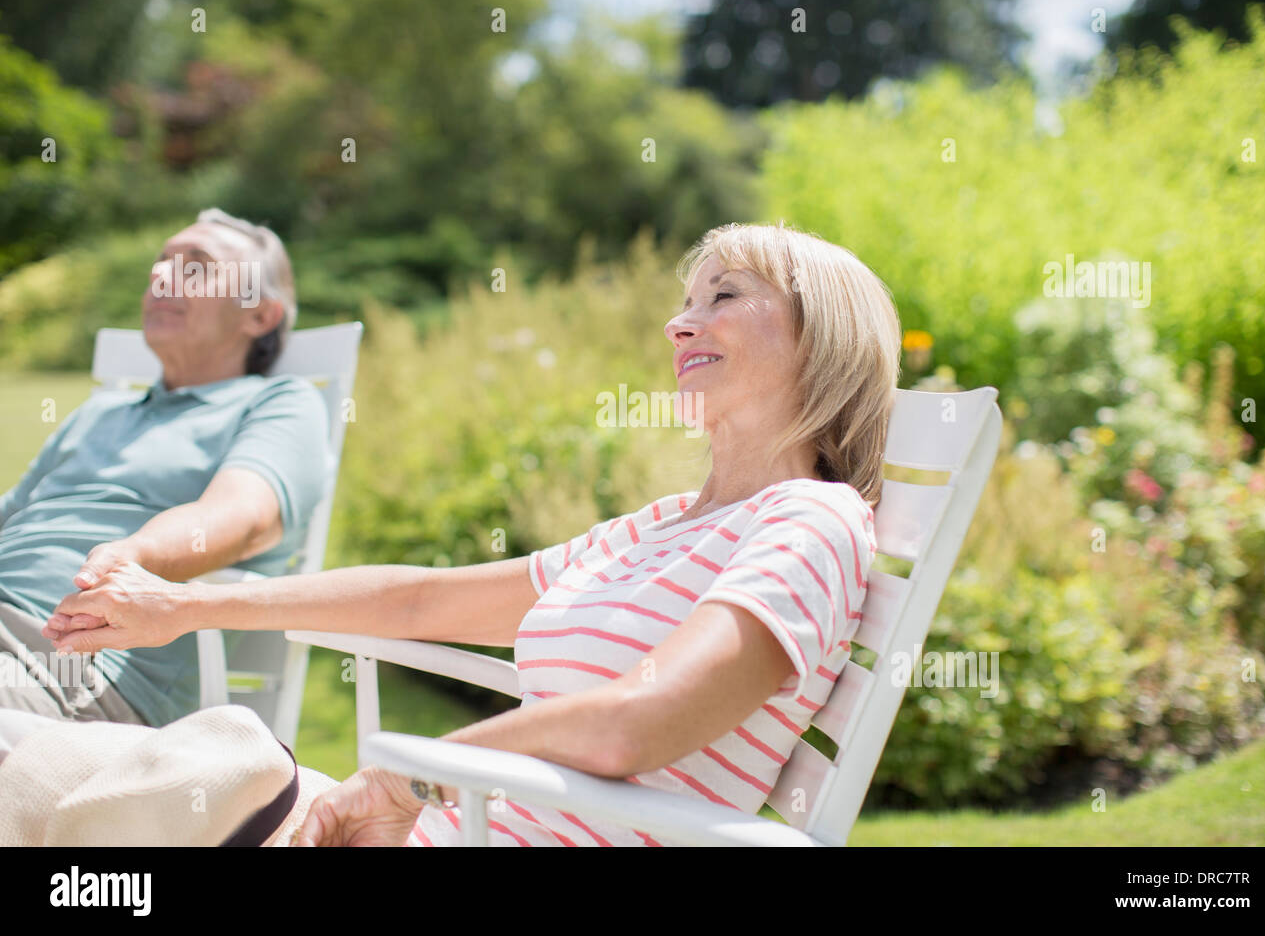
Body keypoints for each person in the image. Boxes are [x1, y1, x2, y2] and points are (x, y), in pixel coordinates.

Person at [43, 221, 901, 847]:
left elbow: (635, 724)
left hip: (468, 829)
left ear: (821, 339)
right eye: (683, 303)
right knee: (97, 775)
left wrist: (415, 772)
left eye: (724, 298)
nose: (680, 324)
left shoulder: (809, 521)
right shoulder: (660, 528)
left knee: (186, 775)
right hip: (453, 828)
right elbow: (422, 598)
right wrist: (184, 607)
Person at [0, 208, 330, 728]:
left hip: (69, 663)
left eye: (195, 267)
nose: (160, 276)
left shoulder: (279, 403)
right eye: (160, 264)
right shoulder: (100, 411)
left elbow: (242, 518)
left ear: (259, 315)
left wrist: (133, 556)